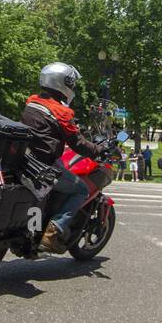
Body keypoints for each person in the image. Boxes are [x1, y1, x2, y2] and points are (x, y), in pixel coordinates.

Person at [21, 62, 108, 253]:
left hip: (24, 160)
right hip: (44, 165)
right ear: (63, 83)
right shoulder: (62, 112)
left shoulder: (32, 101)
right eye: (71, 82)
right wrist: (98, 149)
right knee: (80, 190)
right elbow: (78, 144)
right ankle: (53, 230)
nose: (73, 87)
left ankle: (37, 222)